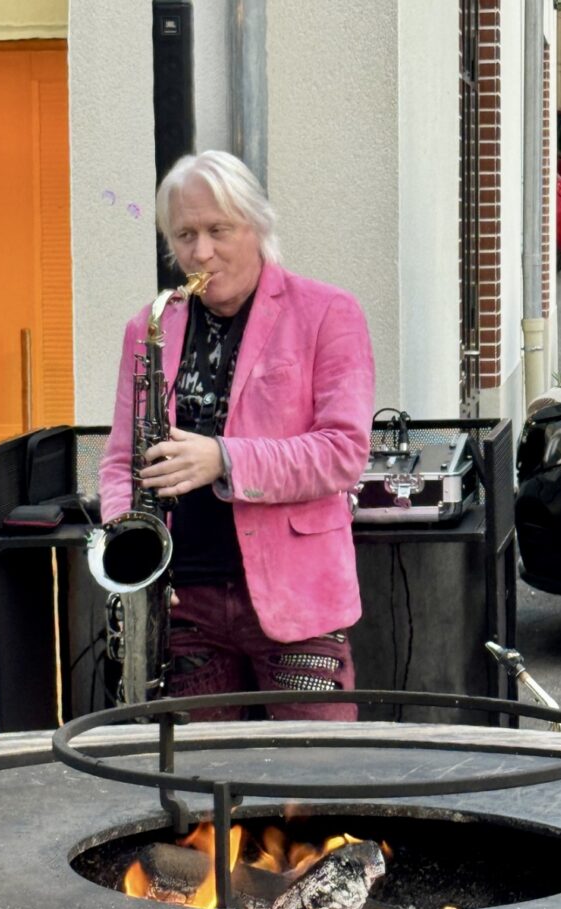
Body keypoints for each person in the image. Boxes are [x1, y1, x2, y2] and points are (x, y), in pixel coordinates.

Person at [99, 151, 375, 721]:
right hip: (183, 605)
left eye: (218, 230)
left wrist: (223, 458)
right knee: (199, 774)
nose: (200, 252)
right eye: (185, 235)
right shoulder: (148, 327)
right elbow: (123, 462)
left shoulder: (328, 312)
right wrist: (132, 556)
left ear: (257, 225)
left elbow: (343, 452)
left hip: (299, 602)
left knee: (318, 771)